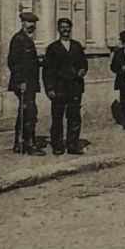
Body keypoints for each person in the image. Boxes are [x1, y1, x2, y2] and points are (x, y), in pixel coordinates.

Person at [42, 17, 88, 155]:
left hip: (75, 87)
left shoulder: (77, 46)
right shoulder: (53, 48)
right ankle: (57, 146)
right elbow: (47, 71)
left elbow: (84, 63)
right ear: (58, 29)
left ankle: (72, 145)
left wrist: (83, 70)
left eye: (67, 27)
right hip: (59, 88)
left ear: (71, 28)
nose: (65, 30)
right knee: (57, 118)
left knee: (74, 117)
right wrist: (49, 89)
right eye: (62, 27)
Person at [5, 10, 41, 154]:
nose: (31, 25)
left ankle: (19, 143)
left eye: (33, 23)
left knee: (26, 111)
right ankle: (28, 144)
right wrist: (21, 81)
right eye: (28, 22)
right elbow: (13, 63)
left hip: (30, 82)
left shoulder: (28, 39)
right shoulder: (18, 39)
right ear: (22, 23)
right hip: (23, 83)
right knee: (29, 111)